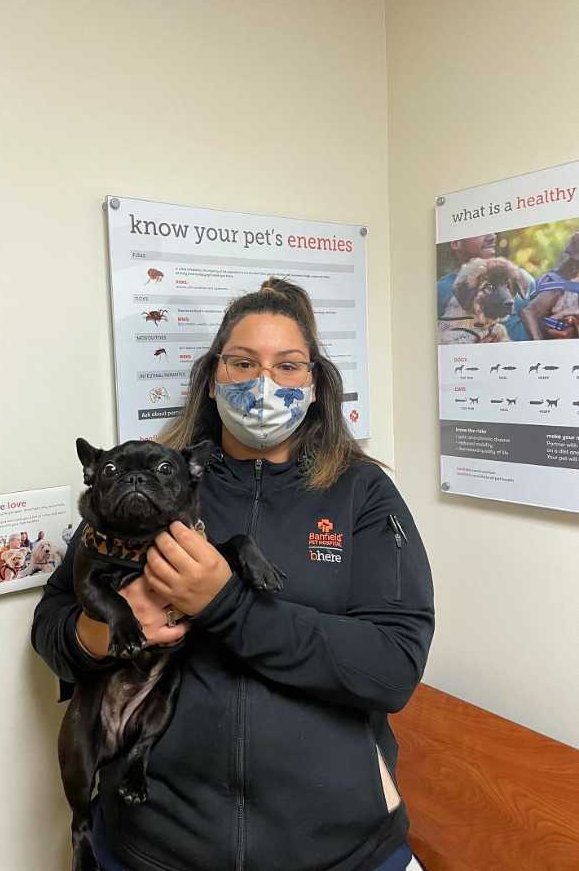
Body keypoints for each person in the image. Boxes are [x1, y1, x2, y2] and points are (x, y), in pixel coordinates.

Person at [32, 278, 434, 871]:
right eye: (242, 362)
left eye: (288, 366)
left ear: (316, 384)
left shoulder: (362, 493)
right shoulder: (156, 477)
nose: (262, 383)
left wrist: (227, 605)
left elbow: (392, 668)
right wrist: (101, 633)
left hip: (339, 851)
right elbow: (51, 626)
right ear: (213, 376)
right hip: (154, 845)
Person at [437, 232, 534, 340]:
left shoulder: (522, 278)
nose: (492, 237)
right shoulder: (440, 291)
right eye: (480, 232)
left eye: (493, 231)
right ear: (455, 243)